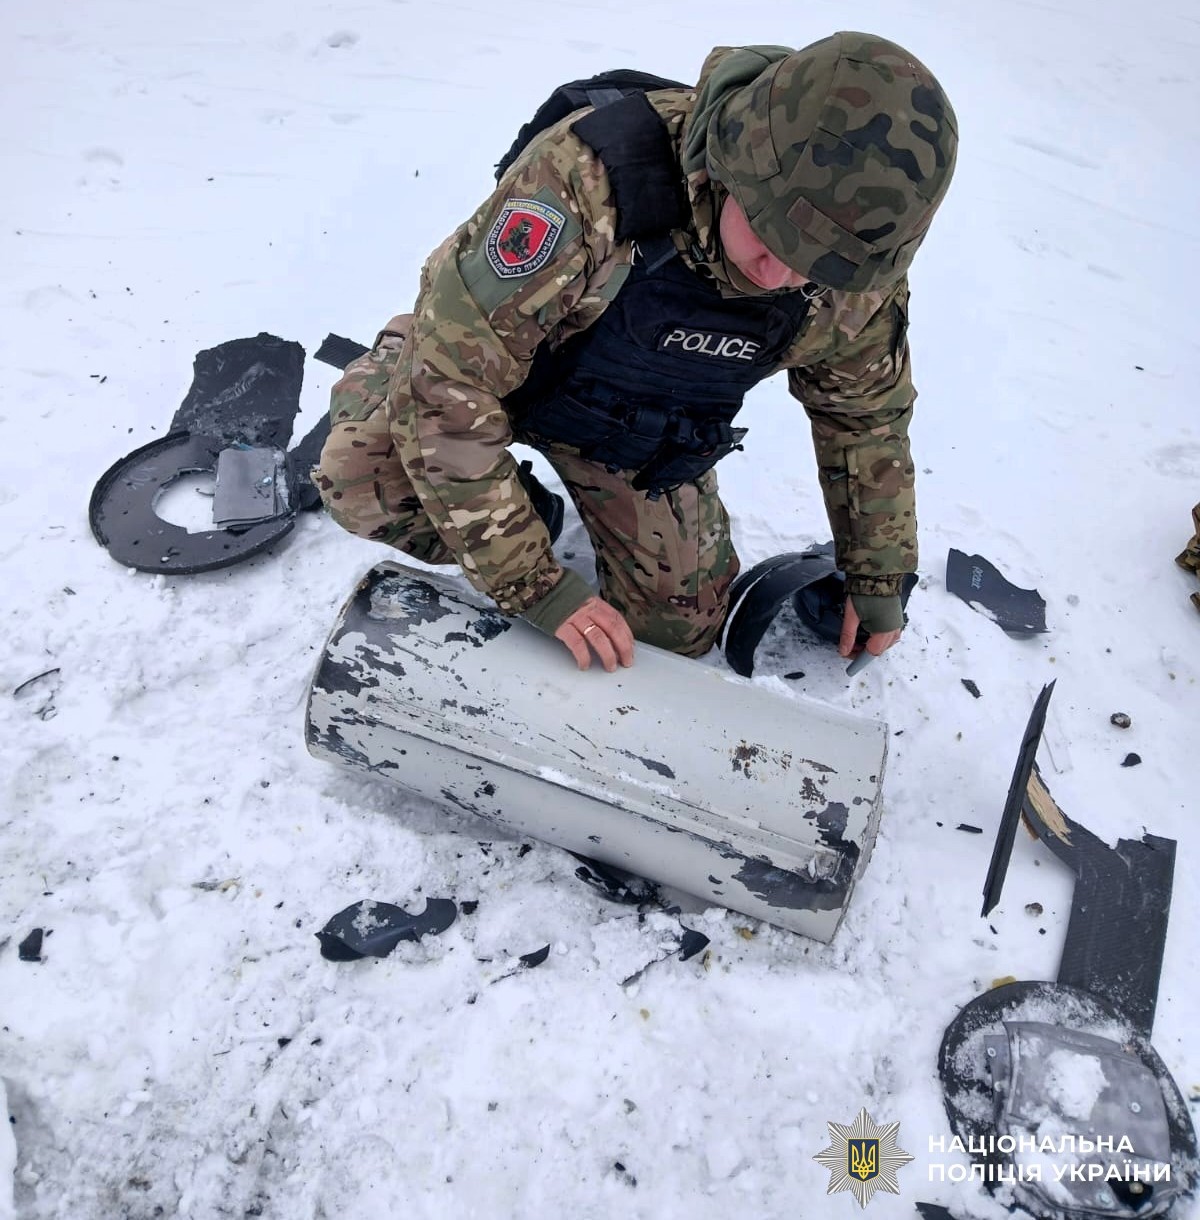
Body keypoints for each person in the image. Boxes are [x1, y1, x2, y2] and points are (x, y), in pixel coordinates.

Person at [314, 32, 958, 674]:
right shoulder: (587, 182)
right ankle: (401, 360)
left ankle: (515, 505)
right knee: (362, 482)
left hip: (630, 430)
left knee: (678, 629)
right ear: (735, 162)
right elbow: (449, 388)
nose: (780, 274)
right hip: (495, 379)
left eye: (818, 265)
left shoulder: (852, 270)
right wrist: (535, 584)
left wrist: (878, 574)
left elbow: (863, 417)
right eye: (771, 234)